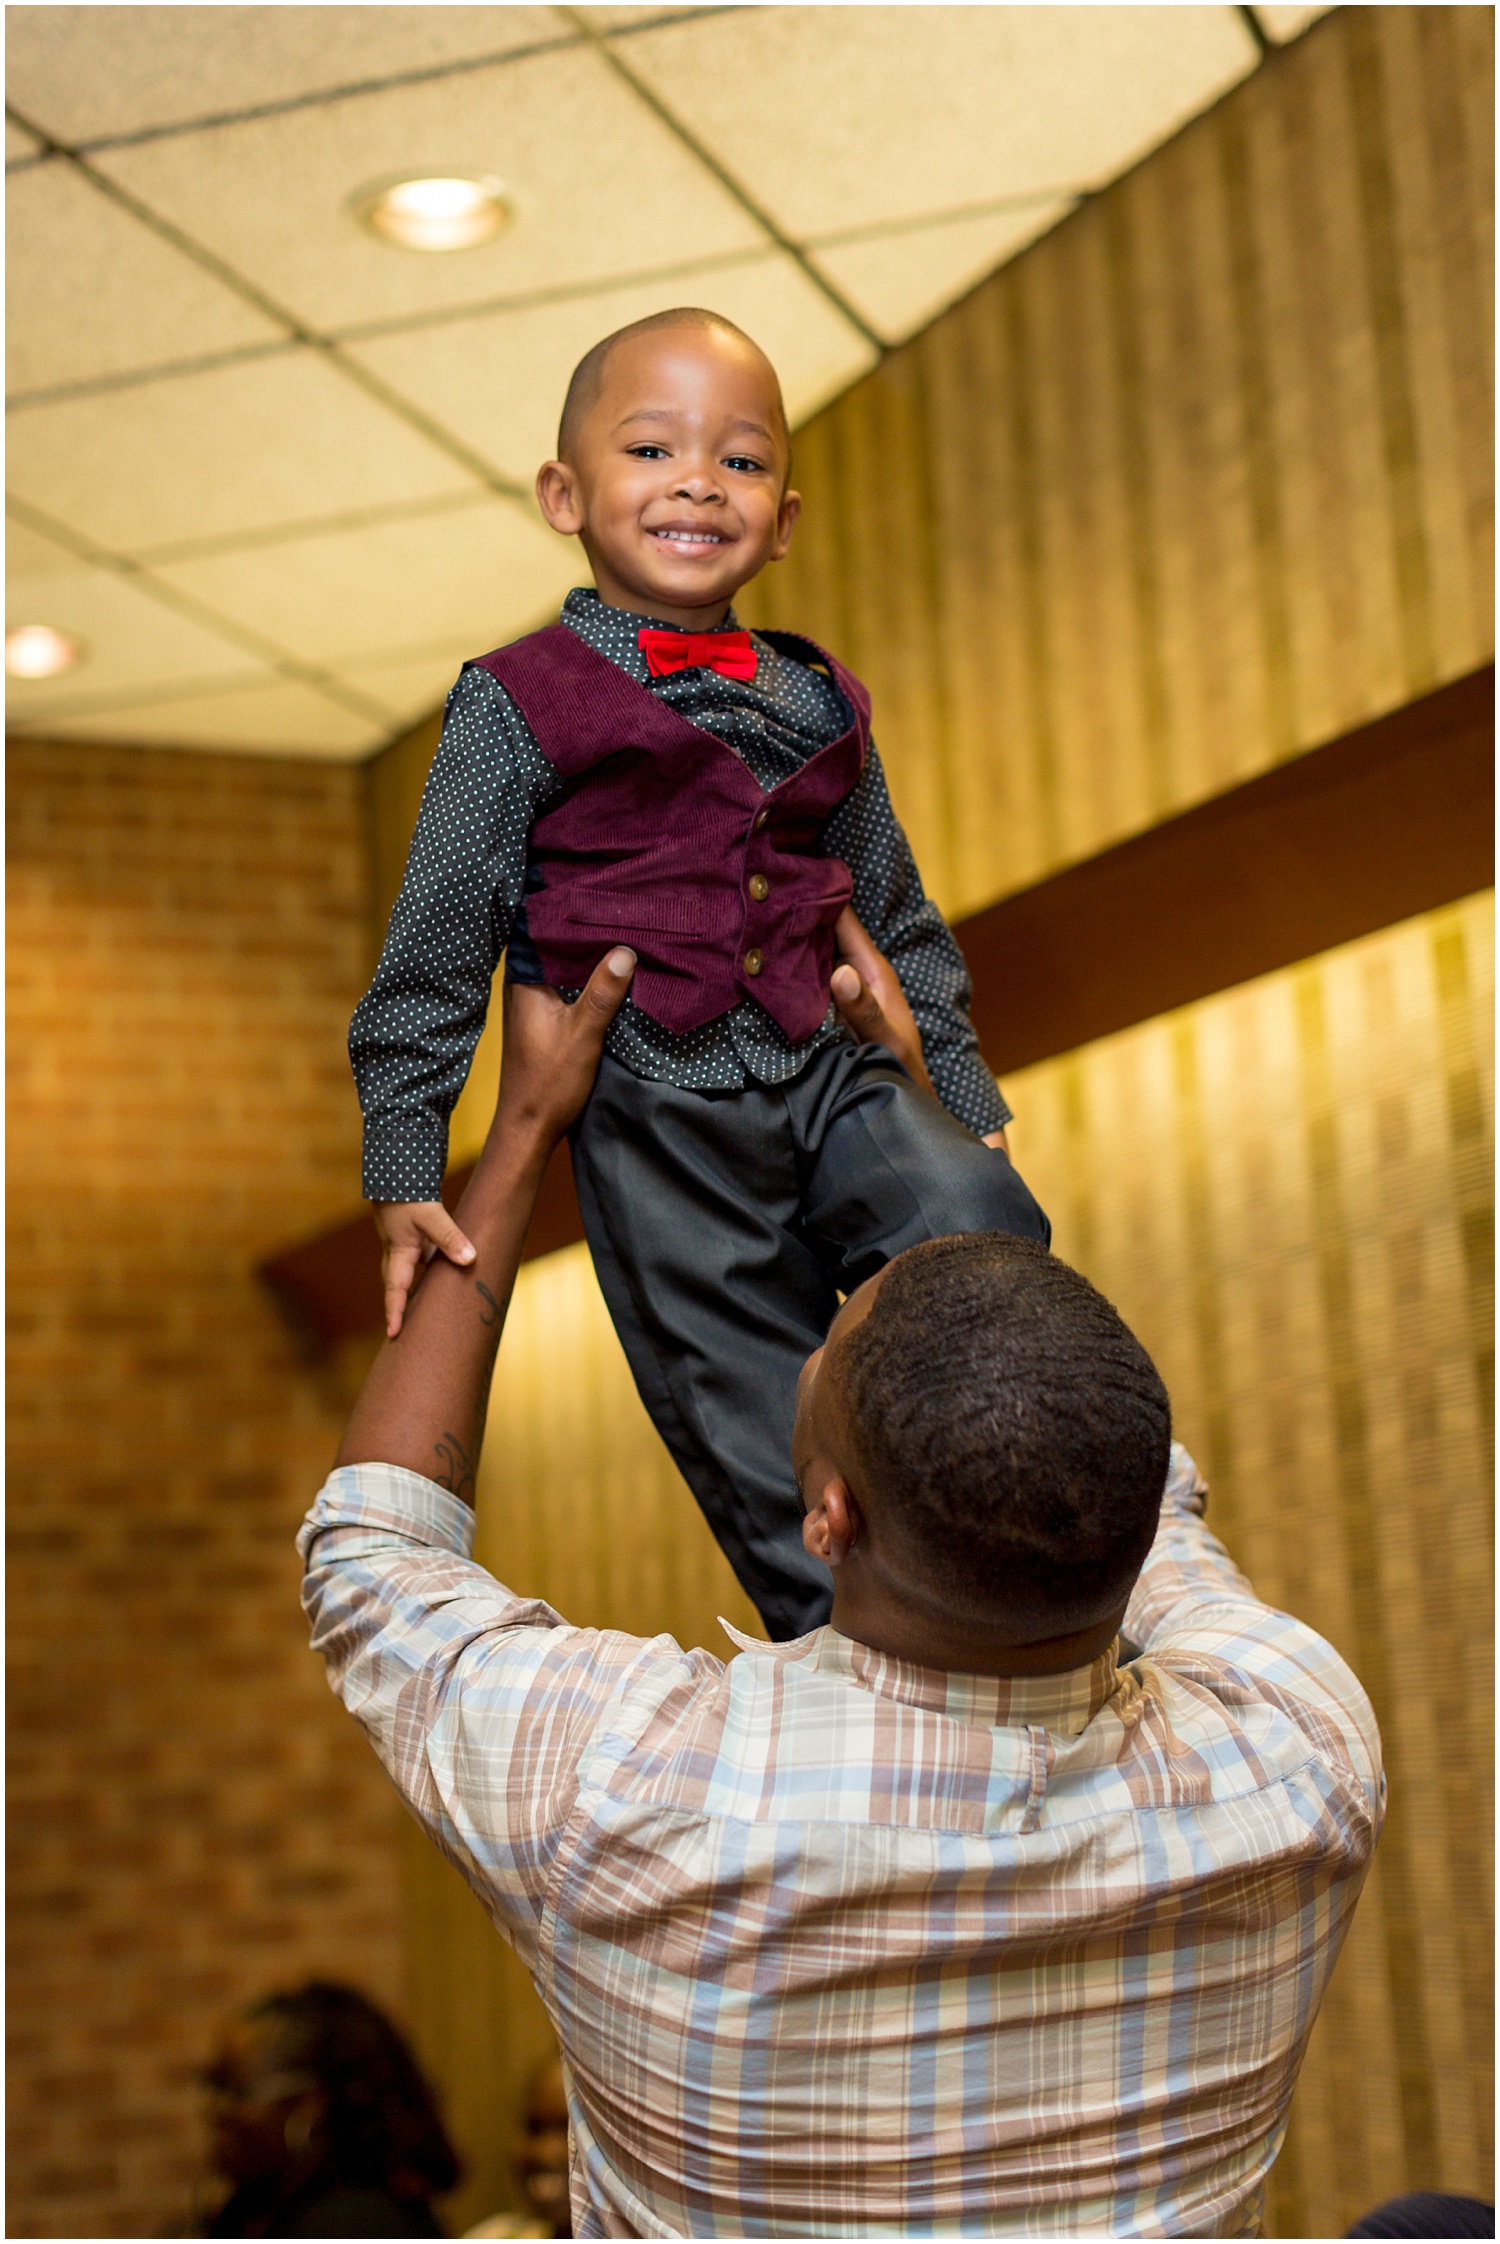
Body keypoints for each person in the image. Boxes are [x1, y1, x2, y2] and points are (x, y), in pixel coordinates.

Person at [302, 946, 1384, 2239]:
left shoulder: (628, 1792)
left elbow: (372, 1556)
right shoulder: (1298, 1746)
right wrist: (932, 1167)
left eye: (829, 1346)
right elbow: (1109, 1464)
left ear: (827, 1515)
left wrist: (524, 1125)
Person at [348, 306, 1048, 1644]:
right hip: (652, 1102)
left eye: (739, 462)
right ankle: (853, 1659)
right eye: (651, 448)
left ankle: (1004, 1571)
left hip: (828, 1057)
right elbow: (439, 943)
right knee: (742, 1402)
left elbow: (894, 905)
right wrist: (401, 1166)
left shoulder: (820, 696)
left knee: (980, 1220)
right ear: (566, 495)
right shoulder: (517, 699)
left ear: (783, 517)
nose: (695, 483)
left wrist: (954, 1077)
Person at [199, 1981, 458, 2238]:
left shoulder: (356, 2225)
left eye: (236, 2092)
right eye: (212, 2085)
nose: (216, 2109)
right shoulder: (262, 2206)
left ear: (310, 2105)